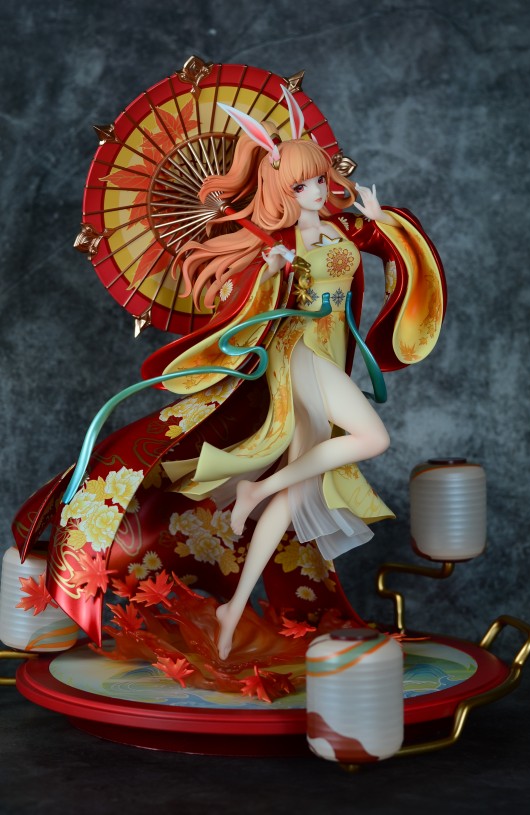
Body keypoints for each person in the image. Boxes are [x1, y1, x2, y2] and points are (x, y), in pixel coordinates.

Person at [12, 90, 445, 658]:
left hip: (330, 352)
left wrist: (380, 220)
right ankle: (256, 488)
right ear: (280, 191)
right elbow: (256, 299)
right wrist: (272, 271)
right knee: (372, 438)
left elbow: (388, 254)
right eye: (301, 186)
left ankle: (233, 607)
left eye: (318, 180)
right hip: (302, 355)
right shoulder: (284, 243)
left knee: (297, 488)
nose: (316, 191)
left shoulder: (341, 227)